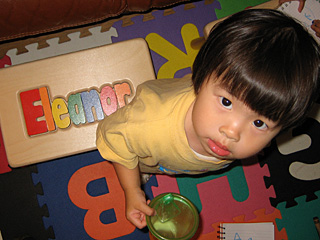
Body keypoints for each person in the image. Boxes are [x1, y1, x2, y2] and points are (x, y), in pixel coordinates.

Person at [96, 9, 320, 229]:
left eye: (259, 123)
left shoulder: (217, 125)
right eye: (226, 102)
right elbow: (112, 137)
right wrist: (132, 190)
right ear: (201, 75)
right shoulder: (146, 125)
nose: (232, 132)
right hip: (144, 147)